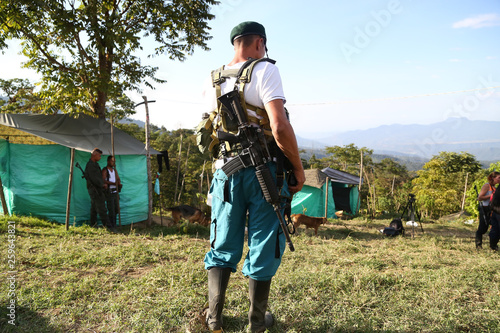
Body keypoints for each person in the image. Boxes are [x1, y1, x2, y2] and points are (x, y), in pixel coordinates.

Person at [201, 21, 305, 332]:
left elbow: (206, 131)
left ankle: (214, 318)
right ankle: (256, 324)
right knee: (263, 242)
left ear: (236, 43)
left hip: (226, 173)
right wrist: (298, 168)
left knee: (222, 241)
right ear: (259, 42)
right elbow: (279, 126)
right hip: (264, 173)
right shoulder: (266, 70)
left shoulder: (213, 79)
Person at [84, 148, 110, 229]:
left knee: (94, 208)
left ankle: (93, 224)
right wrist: (103, 184)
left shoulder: (95, 164)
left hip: (97, 188)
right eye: (99, 155)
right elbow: (94, 178)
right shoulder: (90, 165)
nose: (100, 157)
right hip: (94, 189)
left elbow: (98, 177)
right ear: (94, 154)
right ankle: (108, 226)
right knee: (101, 208)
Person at [476, 171, 500, 249]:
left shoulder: (495, 188)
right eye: (498, 178)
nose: (499, 180)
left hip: (492, 209)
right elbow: (480, 197)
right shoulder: (487, 186)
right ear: (493, 178)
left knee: (493, 227)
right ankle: (478, 244)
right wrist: (491, 195)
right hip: (484, 208)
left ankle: (493, 245)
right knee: (483, 228)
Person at [102, 155, 122, 229]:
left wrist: (118, 183)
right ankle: (111, 226)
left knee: (116, 209)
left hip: (115, 192)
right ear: (108, 161)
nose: (113, 163)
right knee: (111, 210)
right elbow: (103, 180)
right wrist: (113, 183)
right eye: (112, 161)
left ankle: (114, 224)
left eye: (114, 161)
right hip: (109, 192)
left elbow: (118, 178)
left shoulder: (114, 170)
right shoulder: (105, 170)